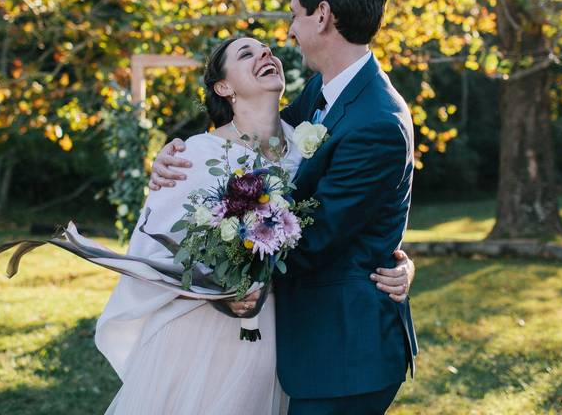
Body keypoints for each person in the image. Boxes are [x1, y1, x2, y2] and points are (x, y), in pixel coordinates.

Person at [150, 0, 418, 414]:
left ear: (322, 15)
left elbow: (313, 241)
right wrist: (178, 153)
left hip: (345, 354)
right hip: (306, 340)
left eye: (294, 14)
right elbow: (259, 137)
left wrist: (223, 278)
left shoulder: (377, 120)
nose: (290, 31)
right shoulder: (325, 91)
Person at [96, 31, 413, 415]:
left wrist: (399, 260)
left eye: (267, 50)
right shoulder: (196, 155)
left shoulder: (305, 142)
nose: (266, 53)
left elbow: (353, 206)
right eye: (246, 53)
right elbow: (153, 256)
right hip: (204, 337)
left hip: (280, 337)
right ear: (224, 86)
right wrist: (219, 289)